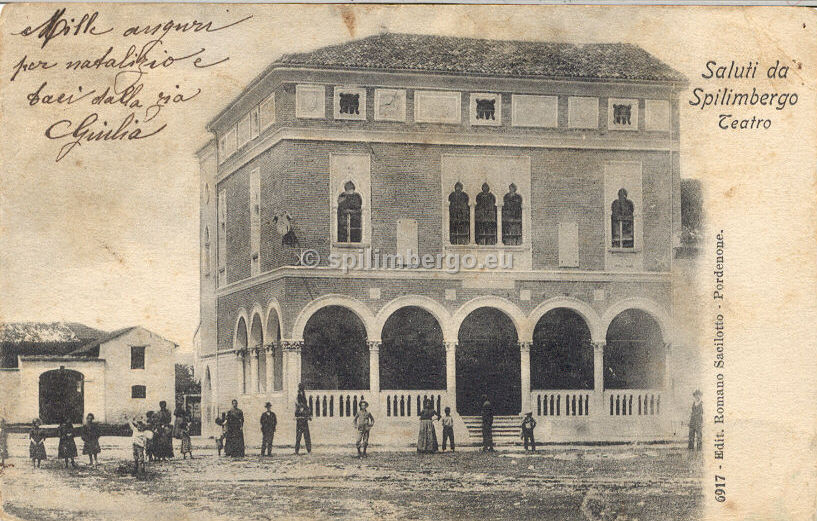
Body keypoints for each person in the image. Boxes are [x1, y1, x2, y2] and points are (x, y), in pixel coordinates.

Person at [294, 384, 312, 455]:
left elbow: (308, 413)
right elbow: (296, 414)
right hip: (300, 423)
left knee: (306, 436)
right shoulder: (298, 408)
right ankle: (296, 450)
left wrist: (308, 416)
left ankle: (309, 450)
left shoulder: (305, 407)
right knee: (298, 437)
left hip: (304, 422)